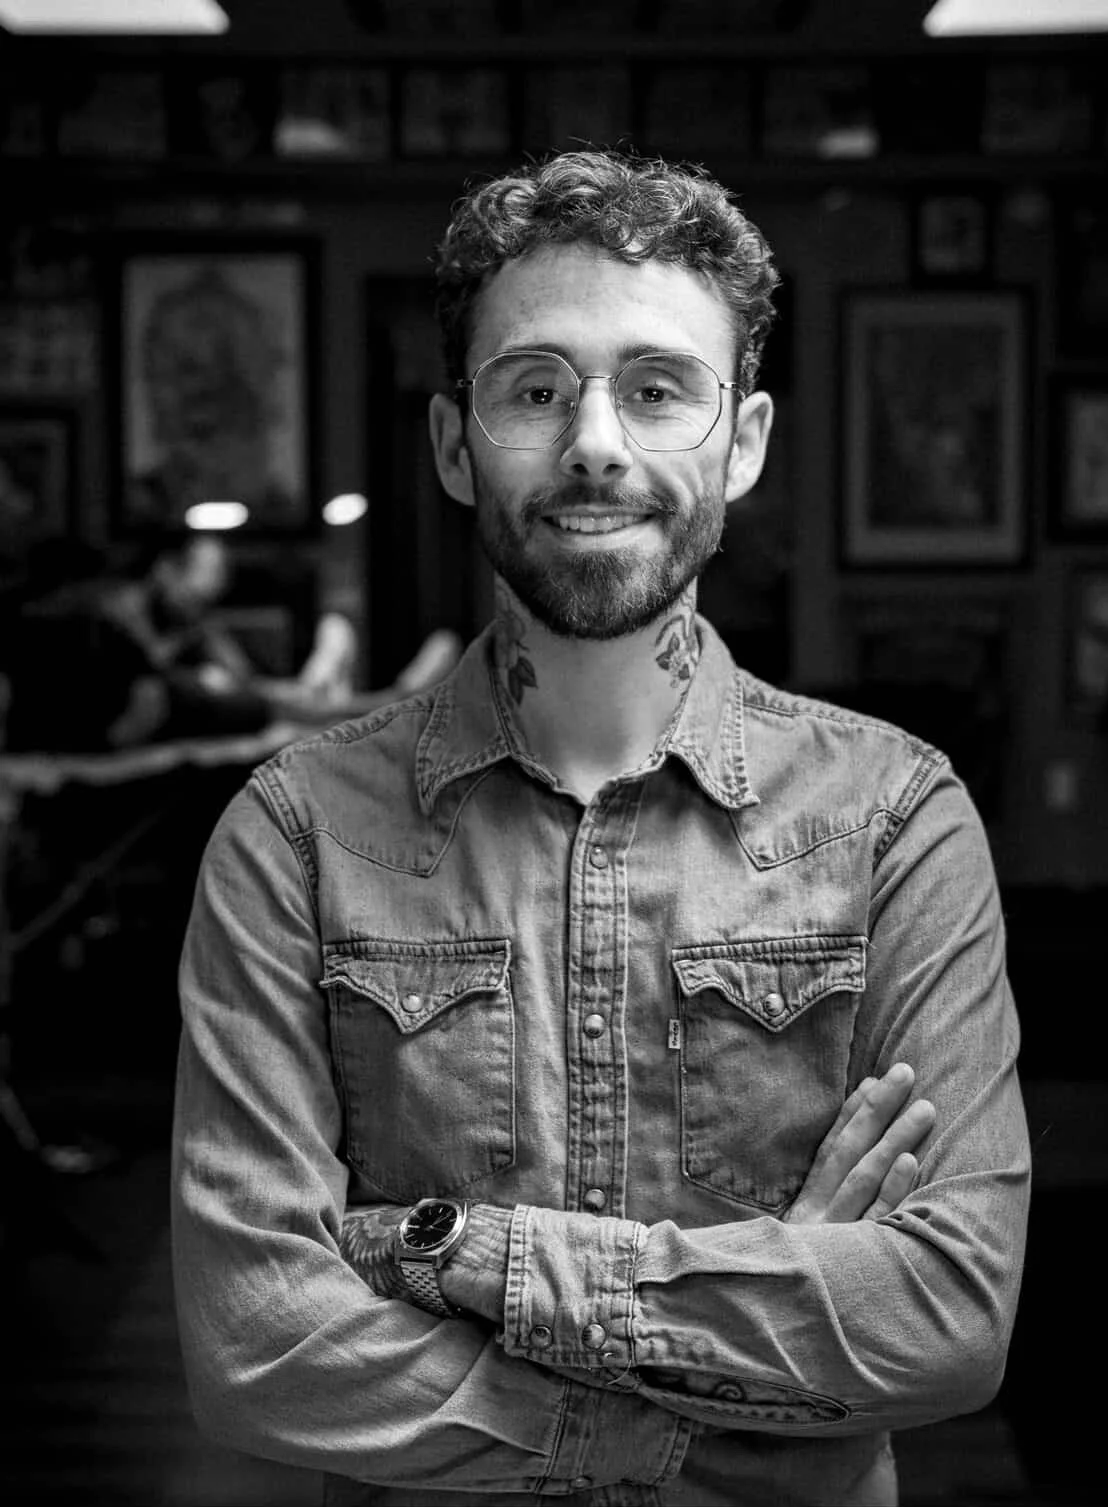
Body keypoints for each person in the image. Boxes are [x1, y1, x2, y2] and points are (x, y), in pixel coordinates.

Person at [171, 149, 1029, 1506]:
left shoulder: (893, 817)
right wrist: (736, 1384)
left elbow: (947, 1315)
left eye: (655, 386)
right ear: (457, 445)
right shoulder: (292, 834)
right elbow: (259, 1340)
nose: (594, 439)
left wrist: (452, 1255)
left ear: (739, 440)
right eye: (534, 386)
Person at [1, 528, 461, 753]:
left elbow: (232, 674)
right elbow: (137, 690)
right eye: (204, 576)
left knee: (270, 698)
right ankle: (394, 704)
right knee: (272, 704)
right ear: (167, 569)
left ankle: (392, 703)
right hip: (152, 710)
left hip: (160, 705)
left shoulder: (152, 616)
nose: (210, 592)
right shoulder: (111, 608)